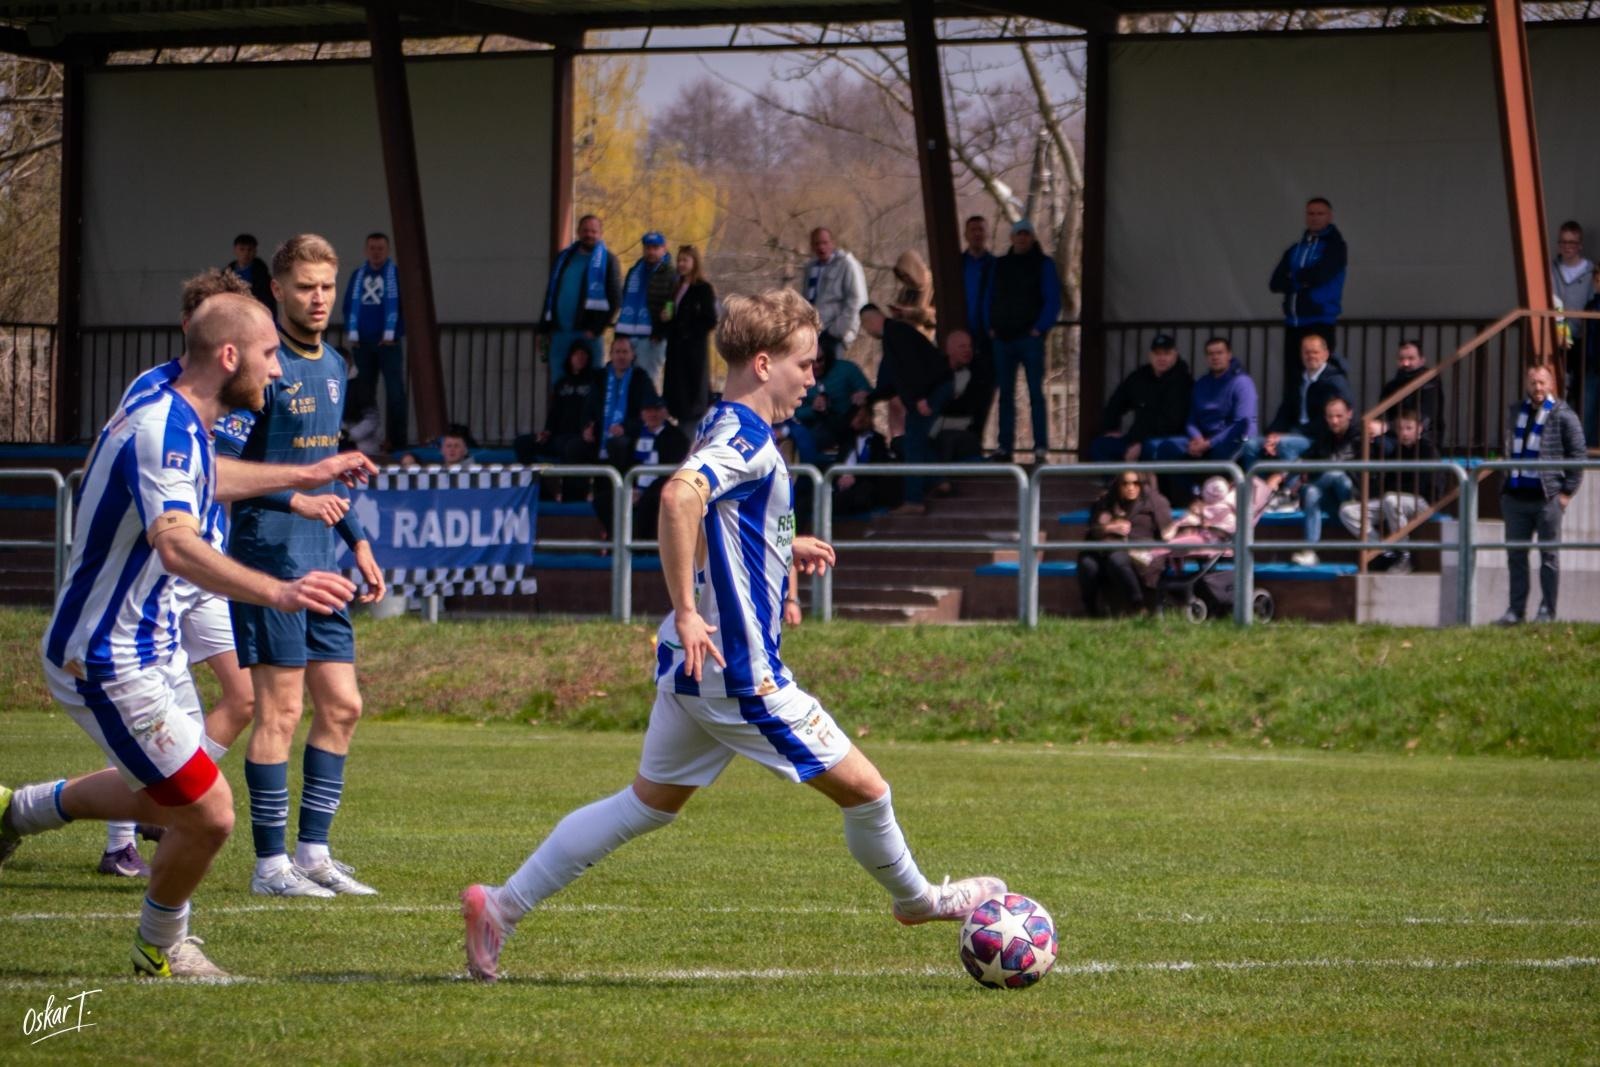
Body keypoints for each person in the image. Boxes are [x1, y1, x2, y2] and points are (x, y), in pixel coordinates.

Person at [460, 288, 1004, 982]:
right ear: (766, 361)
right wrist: (687, 606)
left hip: (697, 667)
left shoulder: (725, 422)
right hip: (736, 672)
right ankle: (918, 900)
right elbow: (681, 496)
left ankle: (499, 908)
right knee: (869, 791)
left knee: (644, 805)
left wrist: (781, 546)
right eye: (807, 364)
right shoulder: (743, 435)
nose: (815, 378)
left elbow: (721, 511)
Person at [1, 294, 359, 979]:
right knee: (210, 813)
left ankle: (16, 810)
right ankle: (159, 947)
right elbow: (177, 546)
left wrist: (304, 473)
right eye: (267, 355)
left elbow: (209, 477)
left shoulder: (187, 417)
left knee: (170, 793)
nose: (278, 372)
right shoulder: (163, 426)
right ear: (229, 357)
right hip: (105, 656)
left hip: (147, 643)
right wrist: (279, 590)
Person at [90, 268, 367, 880]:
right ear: (213, 339)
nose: (276, 369)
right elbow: (180, 518)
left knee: (250, 702)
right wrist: (282, 572)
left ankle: (291, 851)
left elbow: (228, 475)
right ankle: (134, 839)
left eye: (328, 286)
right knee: (207, 787)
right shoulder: (161, 405)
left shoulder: (311, 373)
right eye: (267, 354)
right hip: (172, 584)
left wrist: (336, 514)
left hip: (209, 573)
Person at [220, 234, 388, 899]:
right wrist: (297, 496)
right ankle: (269, 867)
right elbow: (223, 474)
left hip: (322, 562)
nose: (317, 297)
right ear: (277, 292)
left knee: (342, 704)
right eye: (305, 286)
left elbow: (327, 463)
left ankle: (313, 853)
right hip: (268, 558)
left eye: (326, 286)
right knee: (280, 712)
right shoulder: (261, 367)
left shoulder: (338, 366)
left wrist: (359, 538)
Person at [1497, 363, 1586, 625]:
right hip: (1515, 496)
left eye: (1542, 382)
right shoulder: (1516, 411)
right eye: (1533, 382)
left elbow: (1578, 455)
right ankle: (1516, 611)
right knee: (1516, 556)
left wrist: (1567, 492)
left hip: (1547, 497)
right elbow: (1507, 447)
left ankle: (1547, 611)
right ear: (1527, 384)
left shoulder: (1563, 415)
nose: (1537, 388)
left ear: (1552, 384)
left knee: (1548, 557)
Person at [1146, 338, 1257, 501]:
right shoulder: (1201, 383)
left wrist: (1209, 444)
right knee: (1167, 447)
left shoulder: (1242, 382)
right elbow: (1191, 419)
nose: (1215, 357)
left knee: (1224, 451)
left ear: (1229, 355)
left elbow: (1241, 424)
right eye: (1210, 354)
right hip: (1203, 440)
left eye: (1219, 353)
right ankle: (1184, 501)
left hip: (1232, 440)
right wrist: (1196, 437)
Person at [863, 303, 948, 514]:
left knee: (912, 442)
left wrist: (920, 397)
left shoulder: (896, 334)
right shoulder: (895, 335)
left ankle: (914, 499)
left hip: (930, 391)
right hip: (930, 390)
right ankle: (938, 480)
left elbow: (912, 367)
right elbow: (896, 381)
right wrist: (871, 397)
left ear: (869, 322)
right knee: (914, 439)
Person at [988, 219, 1061, 462]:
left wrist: (1039, 329)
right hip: (1003, 338)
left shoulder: (1043, 264)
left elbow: (1053, 300)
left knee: (1035, 394)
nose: (1022, 238)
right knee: (1005, 394)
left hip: (1029, 339)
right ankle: (1004, 446)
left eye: (1026, 234)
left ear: (1032, 237)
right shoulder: (1000, 265)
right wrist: (990, 326)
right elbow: (989, 296)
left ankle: (1040, 447)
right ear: (1012, 238)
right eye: (1018, 234)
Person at [1269, 197, 1347, 408]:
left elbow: (1320, 275)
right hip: (1294, 322)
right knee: (1293, 377)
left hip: (1320, 320)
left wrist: (1294, 278)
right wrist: (1300, 280)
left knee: (1320, 376)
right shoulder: (1295, 249)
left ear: (1329, 216)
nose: (1315, 218)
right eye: (1311, 213)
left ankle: (1320, 424)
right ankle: (1292, 423)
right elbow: (1275, 282)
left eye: (1320, 213)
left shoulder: (1335, 247)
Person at [1239, 333, 1354, 476]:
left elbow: (1332, 418)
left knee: (1285, 444)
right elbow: (1285, 410)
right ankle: (1256, 491)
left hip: (1317, 438)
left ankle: (1290, 494)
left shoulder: (1335, 381)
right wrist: (1273, 434)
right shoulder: (1298, 379)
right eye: (1307, 352)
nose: (1311, 356)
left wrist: (1285, 436)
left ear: (1325, 354)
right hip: (1293, 433)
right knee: (1251, 445)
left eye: (1315, 352)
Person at [1340, 408, 1438, 574]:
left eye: (1409, 428)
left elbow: (1427, 485)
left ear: (1419, 429)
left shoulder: (1427, 450)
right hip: (1392, 501)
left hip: (1421, 502)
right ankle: (1384, 550)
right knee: (1348, 511)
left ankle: (1404, 554)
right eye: (1400, 429)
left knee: (1391, 499)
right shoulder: (1395, 451)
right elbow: (1383, 479)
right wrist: (1369, 442)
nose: (1404, 433)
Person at [515, 341, 604, 502]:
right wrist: (547, 431)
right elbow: (554, 412)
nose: (580, 358)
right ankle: (543, 494)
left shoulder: (596, 382)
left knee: (572, 449)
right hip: (557, 437)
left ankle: (572, 499)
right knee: (522, 443)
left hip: (579, 439)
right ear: (570, 358)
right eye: (577, 354)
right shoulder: (561, 383)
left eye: (584, 355)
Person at [593, 393, 690, 541]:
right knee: (603, 500)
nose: (652, 414)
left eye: (657, 410)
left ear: (665, 412)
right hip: (634, 486)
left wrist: (644, 491)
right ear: (642, 413)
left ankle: (642, 547)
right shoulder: (634, 435)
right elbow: (626, 465)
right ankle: (615, 541)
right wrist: (631, 488)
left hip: (660, 487)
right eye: (648, 410)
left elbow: (672, 470)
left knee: (651, 500)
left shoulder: (677, 437)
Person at [342, 232, 407, 451]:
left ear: (387, 251)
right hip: (363, 344)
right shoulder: (357, 275)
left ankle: (397, 442)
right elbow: (347, 306)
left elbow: (407, 307)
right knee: (364, 395)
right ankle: (368, 440)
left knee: (395, 393)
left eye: (380, 248)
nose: (376, 252)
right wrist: (352, 333)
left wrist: (395, 333)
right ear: (365, 250)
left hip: (388, 343)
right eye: (372, 248)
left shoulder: (396, 275)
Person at [541, 214, 621, 385]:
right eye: (585, 230)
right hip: (560, 332)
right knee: (559, 383)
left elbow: (615, 299)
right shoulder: (563, 258)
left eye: (594, 231)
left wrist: (596, 328)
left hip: (588, 334)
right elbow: (551, 293)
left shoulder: (609, 260)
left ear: (601, 234)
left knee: (593, 384)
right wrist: (543, 328)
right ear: (578, 232)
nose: (589, 234)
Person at [1077, 471, 1171, 617]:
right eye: (1125, 483)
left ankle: (1138, 606)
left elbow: (1166, 533)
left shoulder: (1153, 502)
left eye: (1135, 483)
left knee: (1117, 559)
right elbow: (1093, 529)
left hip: (1138, 550)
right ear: (1118, 485)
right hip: (1103, 548)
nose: (1130, 487)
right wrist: (1108, 528)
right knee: (1087, 564)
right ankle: (1091, 611)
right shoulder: (1107, 501)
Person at [1090, 334, 1192, 464]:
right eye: (1157, 353)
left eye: (1166, 353)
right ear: (1150, 355)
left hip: (1165, 440)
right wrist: (1111, 429)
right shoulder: (1139, 378)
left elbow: (1172, 422)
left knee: (1153, 449)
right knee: (1100, 446)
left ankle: (1144, 483)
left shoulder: (1183, 382)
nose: (1161, 358)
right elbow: (1115, 404)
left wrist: (1140, 443)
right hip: (1135, 439)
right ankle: (1116, 482)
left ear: (1175, 355)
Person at [1292, 395, 1360, 567]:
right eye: (1330, 417)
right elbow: (1305, 459)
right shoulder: (1325, 437)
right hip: (1332, 503)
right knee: (1312, 492)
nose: (1334, 421)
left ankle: (1289, 496)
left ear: (1349, 414)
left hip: (1354, 499)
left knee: (1336, 474)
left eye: (1339, 416)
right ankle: (1310, 550)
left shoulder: (1360, 435)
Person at [661, 243, 718, 427]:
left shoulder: (703, 288)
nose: (681, 264)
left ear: (694, 262)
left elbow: (710, 319)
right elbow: (671, 312)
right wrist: (666, 318)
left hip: (692, 350)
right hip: (675, 348)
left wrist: (690, 331)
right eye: (679, 260)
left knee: (691, 393)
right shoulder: (676, 287)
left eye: (685, 260)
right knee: (676, 390)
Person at [796, 329, 872, 461]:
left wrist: (862, 396)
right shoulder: (798, 376)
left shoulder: (846, 369)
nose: (816, 366)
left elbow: (868, 392)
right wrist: (813, 409)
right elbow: (793, 413)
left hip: (848, 426)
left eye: (820, 360)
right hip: (812, 429)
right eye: (811, 362)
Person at [929, 329, 995, 476]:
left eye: (969, 346)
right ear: (949, 349)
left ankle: (941, 479)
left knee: (947, 440)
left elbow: (967, 406)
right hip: (932, 429)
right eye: (962, 346)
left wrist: (941, 405)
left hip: (964, 431)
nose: (968, 350)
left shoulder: (978, 374)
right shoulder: (935, 372)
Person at [615, 231, 675, 393]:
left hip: (652, 338)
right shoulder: (635, 270)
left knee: (648, 380)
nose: (651, 252)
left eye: (655, 248)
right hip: (629, 335)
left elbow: (672, 302)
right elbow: (625, 297)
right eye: (648, 248)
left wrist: (661, 331)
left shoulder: (670, 273)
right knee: (627, 381)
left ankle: (650, 414)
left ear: (664, 249)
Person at [800, 226, 868, 367]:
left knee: (834, 374)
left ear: (833, 243)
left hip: (834, 333)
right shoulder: (811, 268)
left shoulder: (847, 264)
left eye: (825, 243)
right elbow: (806, 300)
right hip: (814, 332)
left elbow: (857, 300)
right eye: (817, 244)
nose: (821, 247)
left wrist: (840, 330)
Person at [1367, 340, 1442, 447]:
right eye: (1401, 359)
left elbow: (1424, 421)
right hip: (1395, 436)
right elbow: (1381, 415)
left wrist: (1387, 427)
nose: (1406, 363)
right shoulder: (1392, 386)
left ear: (1422, 361)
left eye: (1411, 358)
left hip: (1423, 438)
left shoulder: (1430, 384)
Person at [591, 335, 654, 455]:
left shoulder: (641, 378)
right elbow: (589, 407)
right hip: (600, 432)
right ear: (611, 355)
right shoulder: (599, 377)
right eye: (617, 352)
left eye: (625, 352)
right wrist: (587, 427)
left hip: (629, 433)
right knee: (574, 447)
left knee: (617, 445)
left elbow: (647, 412)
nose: (621, 356)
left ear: (632, 355)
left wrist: (625, 428)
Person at [832, 403, 895, 515]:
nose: (860, 420)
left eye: (863, 416)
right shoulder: (847, 438)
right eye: (857, 416)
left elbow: (876, 469)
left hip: (863, 485)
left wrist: (854, 478)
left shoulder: (877, 441)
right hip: (840, 483)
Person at [960, 216, 995, 359]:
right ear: (966, 235)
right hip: (962, 333)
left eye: (981, 230)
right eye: (973, 230)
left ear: (987, 234)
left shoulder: (996, 265)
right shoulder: (957, 265)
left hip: (989, 334)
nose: (977, 234)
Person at [224, 232, 276, 316]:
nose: (246, 253)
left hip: (255, 314)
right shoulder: (226, 274)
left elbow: (269, 302)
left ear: (255, 251)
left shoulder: (263, 276)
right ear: (235, 250)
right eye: (242, 249)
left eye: (249, 250)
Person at [887, 248, 935, 338]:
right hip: (904, 337)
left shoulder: (933, 285)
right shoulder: (905, 289)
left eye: (906, 275)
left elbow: (936, 316)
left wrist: (913, 313)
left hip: (924, 340)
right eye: (901, 276)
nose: (905, 279)